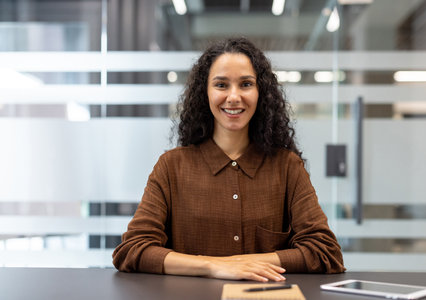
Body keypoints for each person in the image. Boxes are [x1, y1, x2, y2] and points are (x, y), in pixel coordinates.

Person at [112, 37, 345, 282]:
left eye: (245, 84)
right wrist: (214, 266)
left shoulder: (287, 167)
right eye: (221, 85)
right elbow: (132, 250)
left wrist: (246, 263)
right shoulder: (171, 167)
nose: (233, 97)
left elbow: (325, 251)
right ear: (206, 93)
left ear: (260, 92)